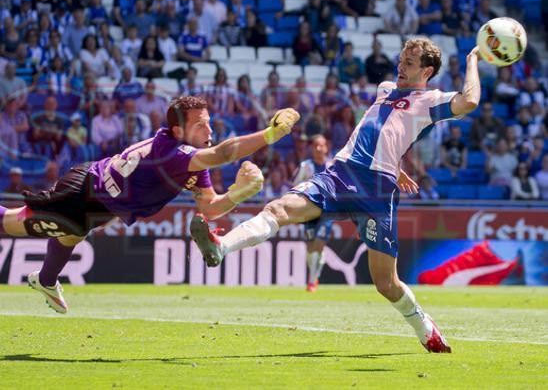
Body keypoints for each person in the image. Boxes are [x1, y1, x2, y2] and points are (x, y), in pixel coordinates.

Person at [191, 38, 485, 354]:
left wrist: (472, 60)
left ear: (427, 71)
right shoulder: (385, 88)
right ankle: (221, 248)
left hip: (375, 191)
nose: (400, 66)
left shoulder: (430, 101)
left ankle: (425, 328)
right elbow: (380, 131)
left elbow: (469, 101)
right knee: (278, 208)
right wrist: (395, 162)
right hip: (340, 172)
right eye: (400, 59)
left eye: (409, 63)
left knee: (386, 285)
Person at [0, 97, 300, 313]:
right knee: (15, 224)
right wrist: (270, 133)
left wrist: (238, 194)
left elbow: (211, 208)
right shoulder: (174, 152)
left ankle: (46, 280)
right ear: (180, 130)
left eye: (210, 123)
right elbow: (224, 153)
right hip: (85, 192)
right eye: (202, 124)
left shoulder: (190, 160)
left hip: (101, 202)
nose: (210, 130)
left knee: (71, 235)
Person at [291, 135, 334, 293]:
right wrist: (295, 211)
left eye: (321, 145)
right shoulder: (305, 166)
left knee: (318, 244)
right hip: (308, 212)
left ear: (326, 147)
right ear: (311, 148)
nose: (318, 148)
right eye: (315, 145)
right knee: (310, 248)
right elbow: (295, 187)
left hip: (327, 212)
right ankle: (314, 276)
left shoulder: (333, 166)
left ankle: (312, 280)